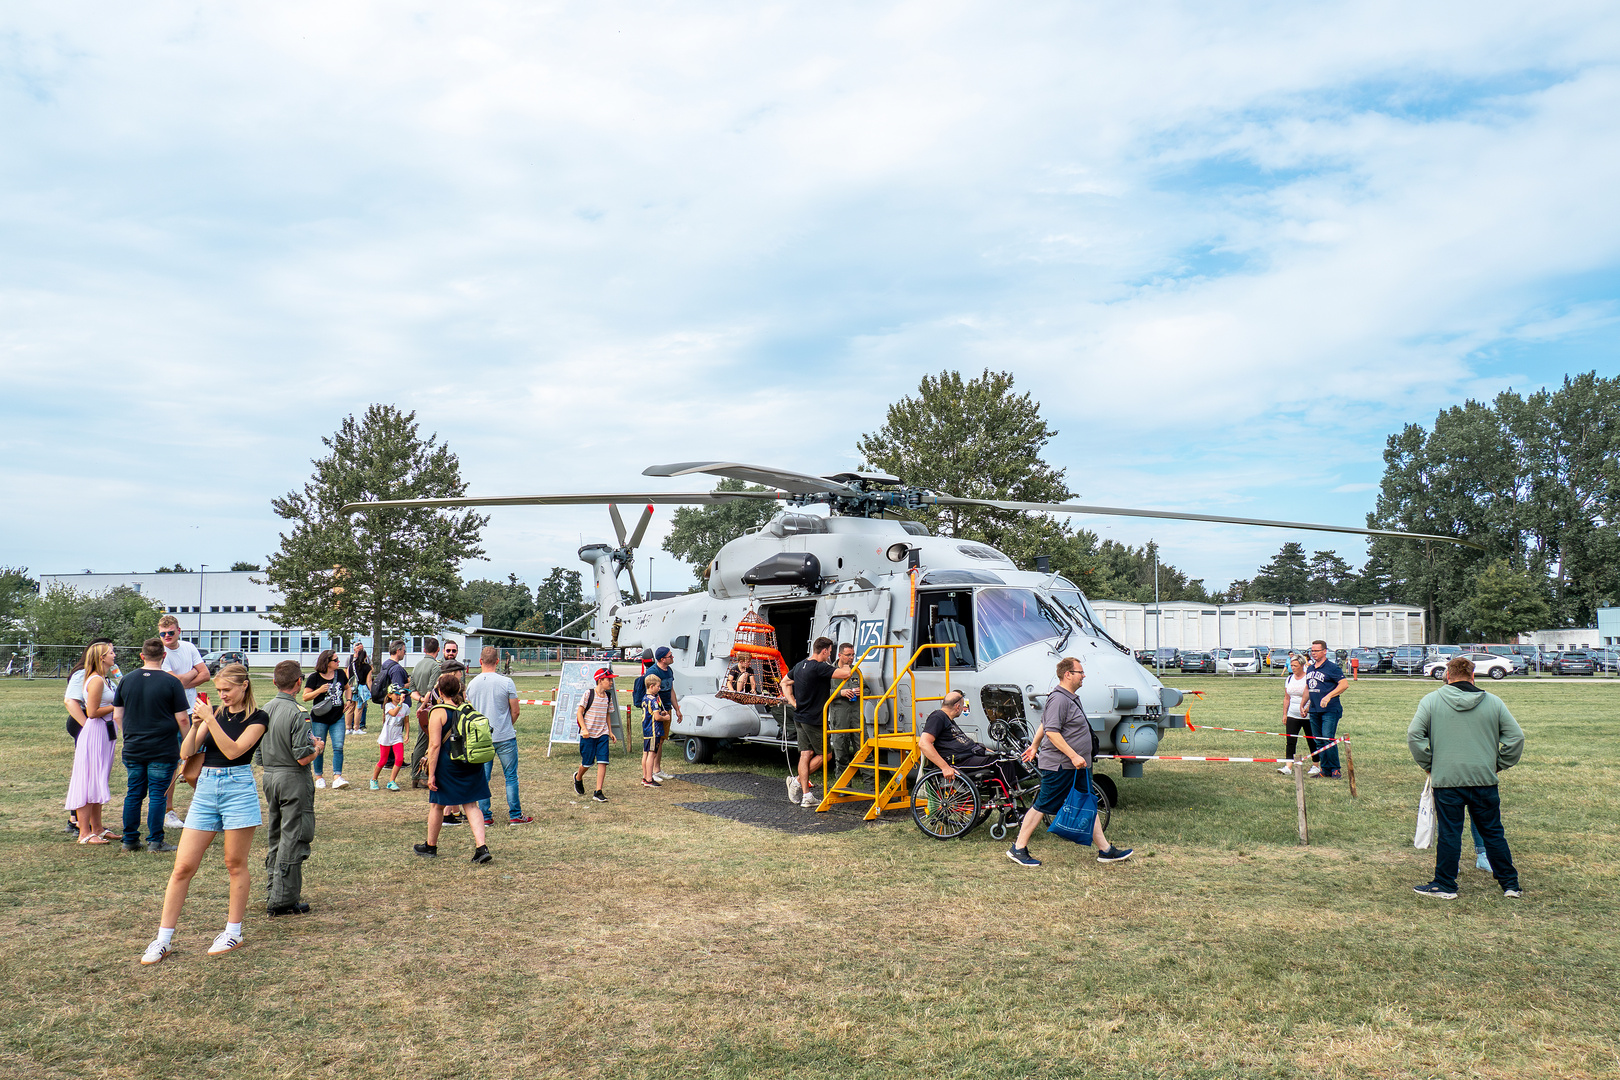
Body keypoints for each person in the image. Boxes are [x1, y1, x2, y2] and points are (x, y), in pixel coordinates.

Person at [139, 663, 267, 963]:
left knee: (235, 863)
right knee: (182, 867)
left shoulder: (259, 717)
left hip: (238, 787)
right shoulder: (215, 714)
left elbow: (235, 751)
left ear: (244, 686)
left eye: (227, 690)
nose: (222, 695)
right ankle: (163, 939)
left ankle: (233, 931)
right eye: (219, 690)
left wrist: (211, 719)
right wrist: (198, 724)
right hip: (206, 789)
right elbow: (186, 753)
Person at [1407, 655, 1524, 900]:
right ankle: (1510, 884)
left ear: (1446, 676)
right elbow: (1515, 738)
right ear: (1473, 676)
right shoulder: (1493, 702)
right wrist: (1499, 764)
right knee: (1493, 832)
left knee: (1450, 833)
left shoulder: (1431, 701)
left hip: (1447, 780)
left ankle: (1446, 884)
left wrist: (1429, 764)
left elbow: (1414, 735)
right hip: (1484, 779)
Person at [1007, 657, 1131, 868]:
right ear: (1068, 674)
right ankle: (1018, 848)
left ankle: (1105, 850)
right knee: (1041, 805)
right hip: (1061, 765)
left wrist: (1035, 746)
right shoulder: (1059, 699)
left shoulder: (1070, 697)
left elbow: (1045, 723)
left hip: (1076, 767)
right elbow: (1052, 731)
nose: (1084, 676)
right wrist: (1073, 755)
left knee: (1087, 802)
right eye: (1080, 672)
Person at [114, 638, 190, 854]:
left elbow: (118, 715)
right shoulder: (172, 682)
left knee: (134, 792)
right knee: (158, 794)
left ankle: (130, 840)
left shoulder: (126, 680)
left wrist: (128, 734)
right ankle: (155, 841)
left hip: (134, 746)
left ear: (142, 656)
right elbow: (183, 719)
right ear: (163, 656)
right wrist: (187, 743)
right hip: (162, 747)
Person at [260, 659, 320, 917]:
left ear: (275, 681)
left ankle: (274, 889)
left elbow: (259, 756)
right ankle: (283, 899)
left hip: (270, 777)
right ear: (299, 683)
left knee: (275, 835)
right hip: (292, 779)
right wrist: (317, 747)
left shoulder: (265, 709)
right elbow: (302, 757)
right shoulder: (298, 712)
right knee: (294, 836)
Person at [413, 673, 493, 863]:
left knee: (437, 805)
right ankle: (481, 847)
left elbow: (433, 746)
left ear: (439, 691)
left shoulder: (438, 712)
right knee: (472, 805)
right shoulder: (468, 708)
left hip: (448, 765)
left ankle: (430, 846)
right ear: (458, 690)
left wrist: (431, 774)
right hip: (471, 762)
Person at [780, 637, 852, 809]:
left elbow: (784, 682)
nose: (831, 654)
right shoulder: (821, 667)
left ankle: (806, 796)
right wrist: (846, 661)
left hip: (800, 716)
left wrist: (792, 701)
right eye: (830, 651)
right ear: (825, 651)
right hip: (814, 720)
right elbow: (846, 674)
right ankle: (797, 781)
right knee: (826, 755)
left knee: (806, 754)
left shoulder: (800, 665)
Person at [157, 615, 209, 830]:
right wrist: (190, 675)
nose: (167, 637)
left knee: (197, 760)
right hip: (170, 714)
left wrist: (181, 682)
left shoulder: (188, 647)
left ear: (179, 631)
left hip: (192, 713)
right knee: (171, 764)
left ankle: (204, 807)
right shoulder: (161, 654)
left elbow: (205, 674)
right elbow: (173, 681)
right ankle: (168, 811)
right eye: (162, 634)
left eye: (170, 632)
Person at [468, 646, 531, 824]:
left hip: (482, 738)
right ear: (497, 661)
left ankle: (485, 816)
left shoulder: (472, 684)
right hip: (505, 736)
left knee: (483, 779)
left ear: (480, 661)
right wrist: (506, 725)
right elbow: (515, 711)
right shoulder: (507, 682)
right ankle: (515, 815)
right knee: (510, 776)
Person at [66, 641, 120, 843]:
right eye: (111, 652)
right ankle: (84, 832)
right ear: (101, 657)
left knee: (99, 778)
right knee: (89, 779)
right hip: (96, 731)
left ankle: (97, 827)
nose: (114, 655)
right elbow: (92, 712)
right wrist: (116, 706)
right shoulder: (95, 680)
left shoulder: (106, 679)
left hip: (106, 733)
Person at [919, 689, 1021, 795]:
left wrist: (985, 750)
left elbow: (964, 742)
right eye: (963, 706)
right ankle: (1012, 794)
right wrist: (945, 767)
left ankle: (1003, 795)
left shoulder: (949, 721)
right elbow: (924, 743)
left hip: (968, 756)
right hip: (958, 761)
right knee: (1001, 761)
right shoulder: (938, 717)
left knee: (1006, 756)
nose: (963, 709)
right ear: (957, 707)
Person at [633, 646, 682, 782]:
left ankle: (657, 769)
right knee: (655, 741)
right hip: (656, 711)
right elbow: (650, 694)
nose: (672, 658)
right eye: (670, 656)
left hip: (667, 709)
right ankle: (651, 773)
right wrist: (660, 711)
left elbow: (671, 691)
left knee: (661, 740)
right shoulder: (653, 672)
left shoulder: (669, 670)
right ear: (662, 659)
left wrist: (677, 709)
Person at [302, 649, 350, 790]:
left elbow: (347, 688)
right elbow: (305, 696)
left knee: (338, 747)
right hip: (319, 719)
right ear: (327, 662)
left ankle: (337, 777)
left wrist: (348, 699)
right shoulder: (314, 677)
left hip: (337, 717)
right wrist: (319, 691)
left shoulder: (340, 674)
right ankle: (319, 777)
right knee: (319, 747)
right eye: (335, 660)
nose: (338, 662)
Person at [1304, 640, 1349, 779]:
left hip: (1330, 709)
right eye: (1312, 651)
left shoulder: (1332, 668)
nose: (1314, 653)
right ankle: (1325, 769)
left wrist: (1328, 696)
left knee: (1328, 738)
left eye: (1317, 651)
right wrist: (1304, 705)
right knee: (1318, 740)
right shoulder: (1311, 668)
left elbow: (1344, 684)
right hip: (1314, 710)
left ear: (1324, 651)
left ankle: (1335, 769)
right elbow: (1310, 688)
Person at [574, 668, 620, 803]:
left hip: (602, 734)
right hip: (588, 735)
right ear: (600, 680)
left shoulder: (608, 696)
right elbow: (579, 713)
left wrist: (610, 731)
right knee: (587, 762)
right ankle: (578, 777)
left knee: (603, 761)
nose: (611, 682)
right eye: (609, 679)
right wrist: (584, 728)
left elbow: (607, 714)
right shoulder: (589, 694)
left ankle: (598, 791)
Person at [825, 643, 866, 789]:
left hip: (857, 717)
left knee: (864, 751)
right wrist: (839, 693)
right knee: (841, 752)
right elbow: (822, 693)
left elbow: (867, 690)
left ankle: (871, 788)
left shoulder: (856, 671)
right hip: (839, 717)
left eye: (853, 655)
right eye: (848, 655)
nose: (851, 658)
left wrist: (861, 692)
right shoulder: (829, 671)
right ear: (840, 655)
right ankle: (843, 787)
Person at [407, 638, 443, 780]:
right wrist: (425, 703)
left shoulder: (417, 666)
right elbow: (430, 690)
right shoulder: (435, 667)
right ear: (438, 650)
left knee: (423, 739)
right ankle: (417, 773)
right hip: (431, 707)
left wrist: (421, 701)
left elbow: (412, 690)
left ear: (424, 650)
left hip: (421, 704)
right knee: (426, 741)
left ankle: (420, 772)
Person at [371, 685, 408, 791]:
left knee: (400, 759)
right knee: (383, 760)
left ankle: (391, 781)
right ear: (390, 695)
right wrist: (400, 704)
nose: (399, 696)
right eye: (396, 694)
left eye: (400, 694)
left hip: (397, 737)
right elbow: (394, 713)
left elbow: (406, 721)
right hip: (386, 737)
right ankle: (374, 779)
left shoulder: (405, 707)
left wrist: (407, 734)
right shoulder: (388, 706)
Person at [1278, 655, 1309, 774]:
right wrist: (1285, 714)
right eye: (1291, 666)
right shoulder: (1289, 678)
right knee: (1290, 741)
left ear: (1302, 666)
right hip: (1292, 714)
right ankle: (1288, 767)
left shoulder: (1307, 678)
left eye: (1295, 666)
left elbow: (1311, 695)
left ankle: (1316, 765)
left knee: (1311, 740)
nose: (1293, 668)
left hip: (1307, 715)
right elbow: (1287, 698)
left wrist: (1306, 709)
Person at [638, 673, 667, 788]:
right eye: (658, 686)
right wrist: (665, 717)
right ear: (651, 686)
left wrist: (660, 713)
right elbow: (657, 717)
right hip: (654, 730)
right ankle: (649, 778)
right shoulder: (654, 700)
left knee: (645, 753)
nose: (659, 688)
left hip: (646, 729)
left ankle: (645, 776)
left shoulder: (645, 698)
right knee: (652, 754)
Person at [346, 644, 372, 734]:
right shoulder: (367, 667)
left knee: (350, 708)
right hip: (361, 689)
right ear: (365, 657)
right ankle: (356, 728)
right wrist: (371, 691)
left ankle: (348, 728)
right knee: (359, 708)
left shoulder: (351, 666)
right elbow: (369, 681)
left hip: (352, 688)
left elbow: (348, 678)